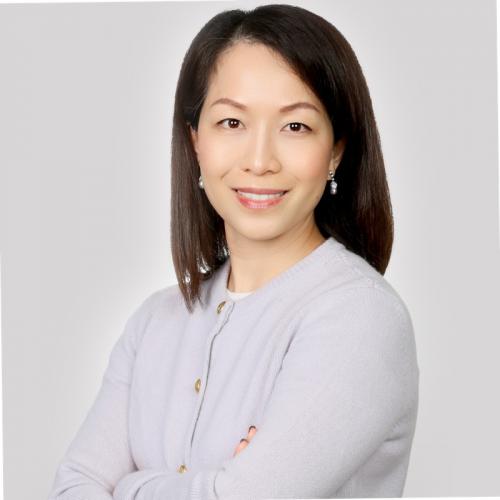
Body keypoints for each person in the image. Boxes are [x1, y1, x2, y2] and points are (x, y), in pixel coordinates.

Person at [47, 4, 419, 499]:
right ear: (195, 142)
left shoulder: (360, 316)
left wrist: (130, 486)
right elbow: (71, 486)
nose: (259, 161)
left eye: (295, 127)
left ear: (335, 151)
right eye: (231, 122)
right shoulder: (155, 322)